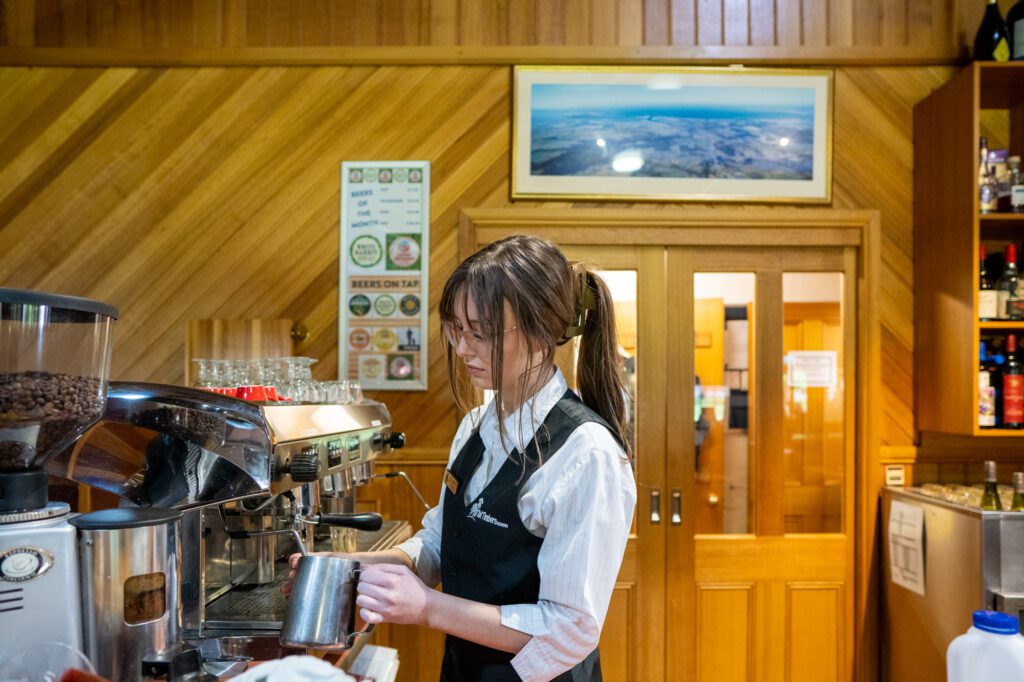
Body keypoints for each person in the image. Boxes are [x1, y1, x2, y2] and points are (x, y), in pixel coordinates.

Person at [285, 235, 636, 681]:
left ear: (542, 329)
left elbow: (570, 630)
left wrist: (429, 608)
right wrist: (353, 568)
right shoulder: (475, 425)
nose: (463, 348)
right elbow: (438, 543)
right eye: (456, 329)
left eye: (481, 332)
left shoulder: (587, 453)